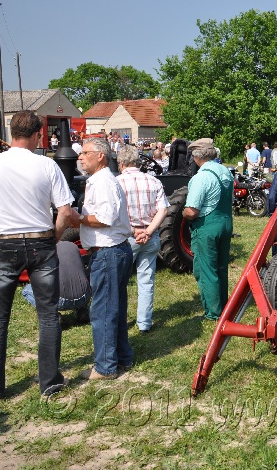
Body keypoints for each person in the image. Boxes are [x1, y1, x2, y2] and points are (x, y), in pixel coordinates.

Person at [0, 110, 77, 399]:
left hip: (3, 243)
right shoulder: (47, 165)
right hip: (40, 242)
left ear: (10, 134)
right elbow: (65, 211)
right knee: (48, 315)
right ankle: (50, 383)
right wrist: (53, 237)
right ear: (36, 135)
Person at [78, 137, 134, 380]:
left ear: (100, 156)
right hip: (114, 251)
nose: (80, 157)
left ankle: (105, 367)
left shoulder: (102, 182)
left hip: (108, 253)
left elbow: (105, 217)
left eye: (85, 153)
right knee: (115, 308)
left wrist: (75, 218)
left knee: (103, 311)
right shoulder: (102, 180)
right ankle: (122, 358)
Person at [117, 145, 169, 334]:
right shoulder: (153, 181)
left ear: (121, 163)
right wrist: (148, 231)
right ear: (139, 163)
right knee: (146, 280)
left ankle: (119, 321)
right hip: (150, 235)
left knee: (119, 282)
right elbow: (163, 209)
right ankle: (144, 323)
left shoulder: (117, 182)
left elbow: (114, 215)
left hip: (126, 237)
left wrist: (135, 231)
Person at [183, 138, 234, 321]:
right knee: (221, 267)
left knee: (206, 270)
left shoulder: (201, 177)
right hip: (226, 222)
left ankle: (213, 313)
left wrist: (183, 212)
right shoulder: (225, 171)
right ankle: (225, 306)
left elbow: (192, 211)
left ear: (196, 156)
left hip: (207, 226)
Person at [21, 241, 91, 321]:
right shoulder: (73, 246)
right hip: (85, 297)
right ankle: (82, 311)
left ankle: (54, 315)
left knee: (26, 290)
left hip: (61, 301)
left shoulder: (47, 250)